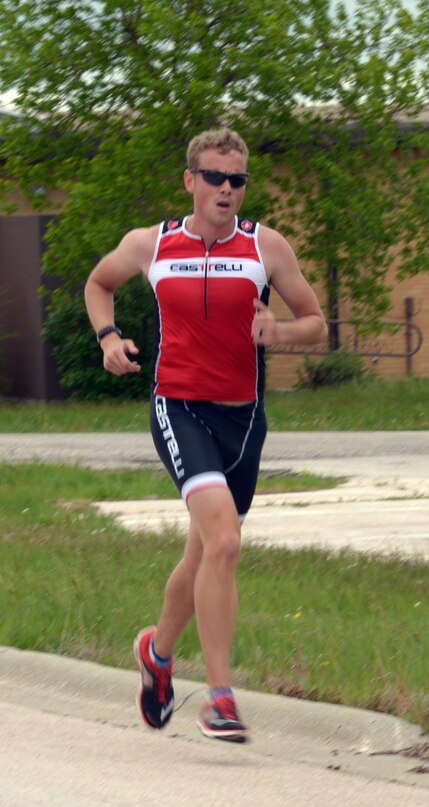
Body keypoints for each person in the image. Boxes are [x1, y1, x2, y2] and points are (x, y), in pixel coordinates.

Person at [84, 127, 327, 743]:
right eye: (214, 177)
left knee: (203, 554)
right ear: (190, 180)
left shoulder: (266, 247)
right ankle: (219, 697)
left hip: (243, 421)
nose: (226, 189)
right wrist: (109, 338)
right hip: (179, 407)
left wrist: (280, 333)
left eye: (237, 179)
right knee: (224, 540)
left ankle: (157, 655)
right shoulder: (151, 245)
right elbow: (98, 283)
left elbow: (316, 324)